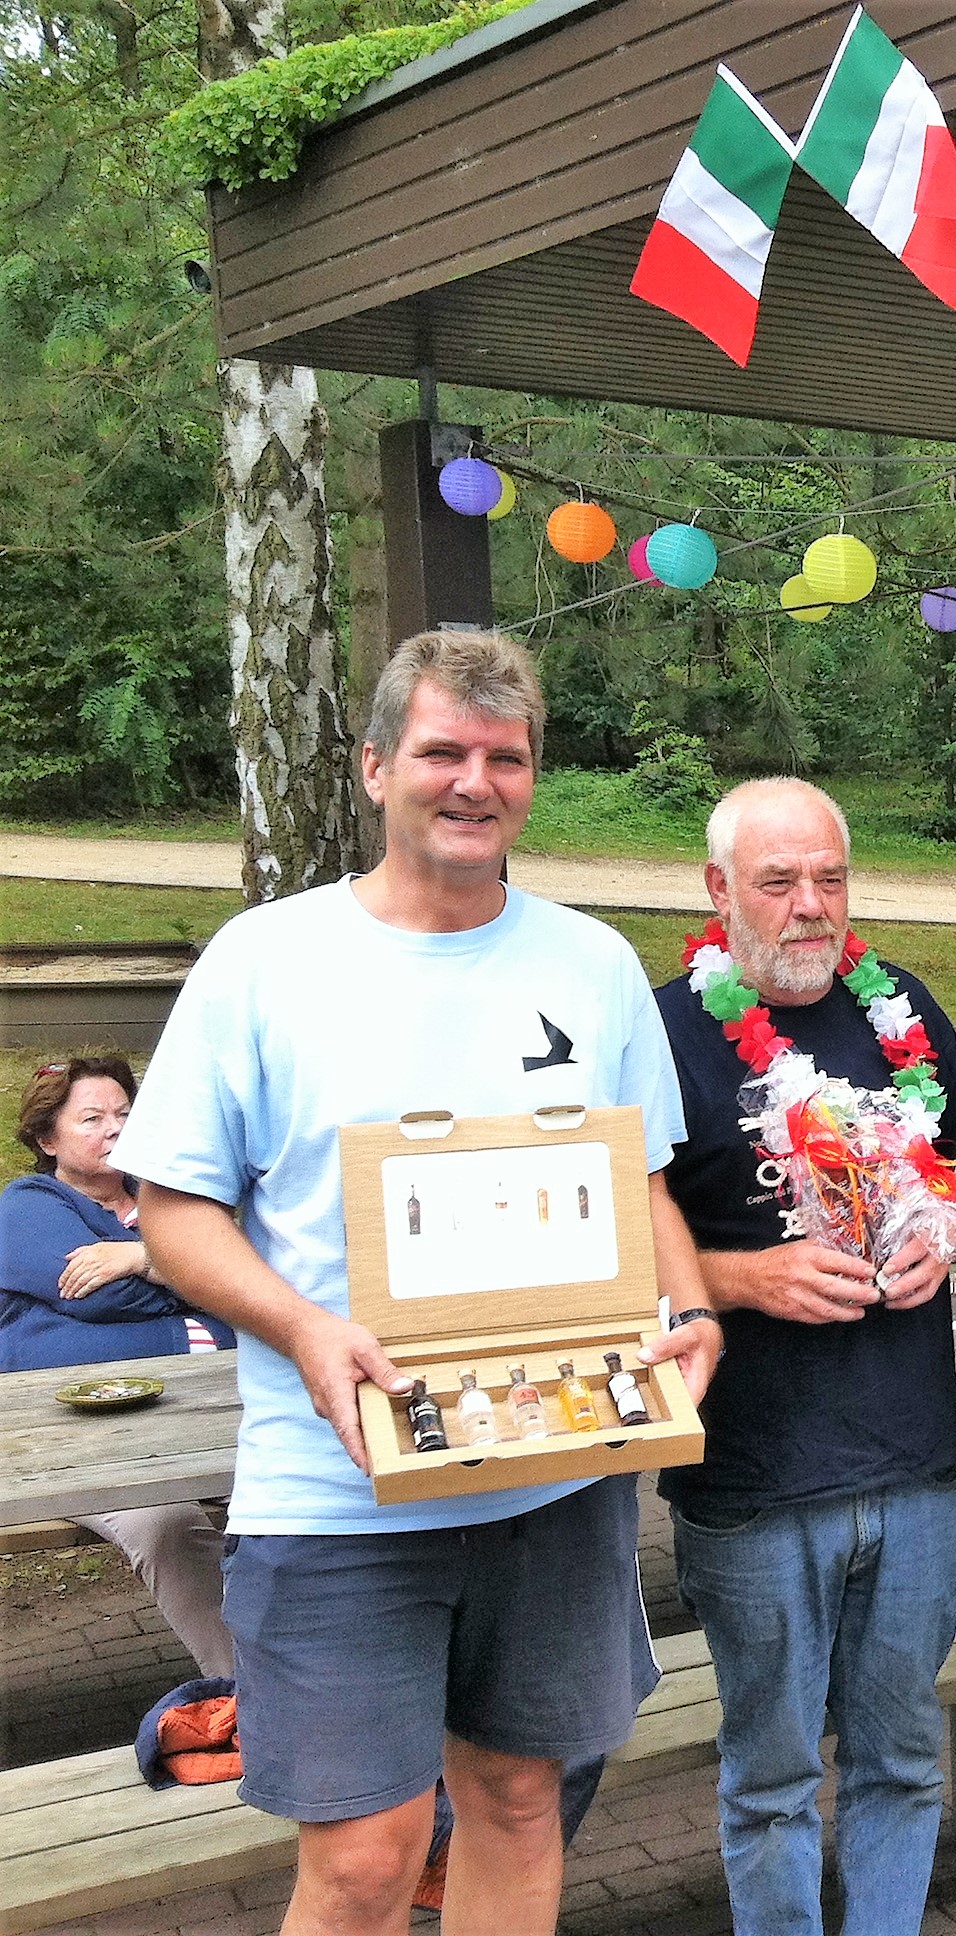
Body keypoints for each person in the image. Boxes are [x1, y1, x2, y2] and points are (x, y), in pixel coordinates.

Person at [112, 630, 721, 1936]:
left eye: (506, 757)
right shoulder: (265, 963)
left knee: (519, 1802)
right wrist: (302, 1327)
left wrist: (692, 1312)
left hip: (557, 1471)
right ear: (378, 765)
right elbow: (171, 1214)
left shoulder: (593, 964)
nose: (474, 781)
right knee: (366, 1860)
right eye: (444, 751)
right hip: (339, 1486)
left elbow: (644, 1185)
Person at [654, 776, 956, 1935]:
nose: (810, 905)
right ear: (717, 889)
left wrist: (944, 1235)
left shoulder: (904, 1009)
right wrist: (744, 1279)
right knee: (774, 1780)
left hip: (912, 1458)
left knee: (904, 1763)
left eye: (830, 878)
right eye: (778, 880)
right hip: (754, 1477)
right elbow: (610, 1247)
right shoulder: (663, 1032)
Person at [1, 1056, 235, 1677]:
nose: (115, 1128)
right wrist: (193, 1320)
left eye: (125, 1114)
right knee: (165, 1525)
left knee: (300, 1493)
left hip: (207, 1423)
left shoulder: (171, 1200)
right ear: (48, 1139)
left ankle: (332, 1663)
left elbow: (243, 1282)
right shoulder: (28, 1208)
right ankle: (250, 1694)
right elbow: (97, 1300)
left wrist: (139, 1259)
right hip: (80, 1446)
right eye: (92, 1118)